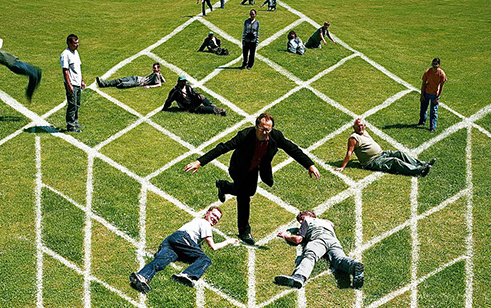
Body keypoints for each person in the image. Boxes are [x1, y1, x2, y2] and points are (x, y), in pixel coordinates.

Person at [183, 113, 321, 244]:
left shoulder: (276, 136)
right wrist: (200, 161)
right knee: (244, 197)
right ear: (256, 127)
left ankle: (224, 186)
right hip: (239, 169)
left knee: (249, 191)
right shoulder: (244, 135)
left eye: (268, 129)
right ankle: (244, 231)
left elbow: (292, 149)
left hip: (256, 168)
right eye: (262, 129)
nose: (265, 132)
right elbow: (223, 148)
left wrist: (309, 164)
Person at [129, 206, 238, 292]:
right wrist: (228, 241)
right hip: (182, 239)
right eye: (214, 215)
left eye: (217, 218)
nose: (215, 219)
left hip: (171, 242)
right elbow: (213, 246)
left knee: (160, 262)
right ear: (207, 213)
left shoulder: (197, 222)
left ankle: (141, 277)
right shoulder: (205, 223)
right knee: (205, 259)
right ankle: (186, 275)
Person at [273, 210, 364, 290]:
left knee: (310, 256)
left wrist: (286, 236)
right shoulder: (327, 222)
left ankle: (299, 276)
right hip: (333, 240)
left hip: (319, 239)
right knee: (339, 259)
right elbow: (331, 223)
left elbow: (298, 239)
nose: (301, 222)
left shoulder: (307, 221)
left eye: (301, 218)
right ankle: (354, 265)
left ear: (309, 215)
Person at [336, 118, 435, 177]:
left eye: (362, 125)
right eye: (358, 126)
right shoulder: (353, 138)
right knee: (394, 161)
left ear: (365, 126)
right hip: (372, 161)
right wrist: (342, 167)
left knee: (399, 153)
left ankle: (423, 163)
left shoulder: (364, 132)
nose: (360, 127)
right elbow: (349, 152)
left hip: (381, 154)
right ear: (354, 127)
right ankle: (419, 170)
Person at [0, 32, 42, 101]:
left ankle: (30, 90)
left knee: (38, 72)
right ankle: (28, 93)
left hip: (18, 62)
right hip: (15, 66)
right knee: (33, 75)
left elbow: (0, 40)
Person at [162, 76, 227, 116]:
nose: (183, 83)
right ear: (178, 82)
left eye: (184, 81)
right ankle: (218, 111)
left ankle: (211, 105)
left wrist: (198, 95)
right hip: (187, 106)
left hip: (192, 101)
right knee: (199, 109)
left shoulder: (188, 87)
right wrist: (164, 109)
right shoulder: (175, 91)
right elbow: (169, 100)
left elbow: (193, 93)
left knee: (201, 96)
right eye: (182, 81)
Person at [60, 33, 84, 133]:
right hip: (72, 83)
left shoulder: (75, 53)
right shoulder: (65, 55)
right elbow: (65, 71)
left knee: (77, 104)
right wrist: (69, 84)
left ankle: (75, 121)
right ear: (69, 43)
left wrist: (82, 80)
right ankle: (70, 126)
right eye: (75, 43)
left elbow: (78, 68)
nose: (77, 45)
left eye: (77, 43)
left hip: (77, 82)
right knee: (72, 105)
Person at [418, 57, 447, 132]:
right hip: (426, 93)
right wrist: (422, 95)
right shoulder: (428, 72)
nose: (434, 66)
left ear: (439, 65)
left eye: (436, 64)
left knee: (433, 112)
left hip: (434, 95)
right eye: (433, 64)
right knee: (423, 109)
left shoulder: (441, 74)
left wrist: (438, 97)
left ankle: (432, 127)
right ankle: (422, 122)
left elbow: (441, 86)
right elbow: (423, 84)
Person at [96, 62, 164, 90]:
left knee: (121, 84)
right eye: (154, 67)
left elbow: (159, 84)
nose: (154, 69)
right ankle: (102, 84)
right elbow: (163, 81)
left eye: (156, 68)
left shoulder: (156, 74)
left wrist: (149, 86)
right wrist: (161, 77)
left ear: (158, 68)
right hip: (135, 78)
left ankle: (104, 84)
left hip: (137, 82)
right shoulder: (158, 74)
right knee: (118, 80)